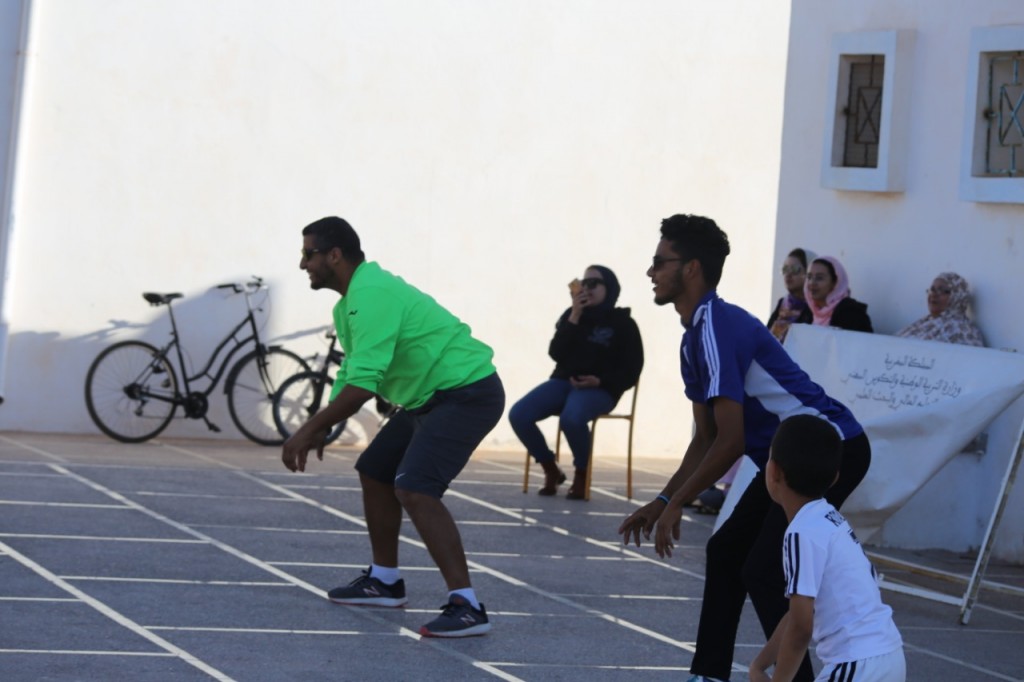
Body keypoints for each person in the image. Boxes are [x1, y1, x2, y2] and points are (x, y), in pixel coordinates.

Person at [617, 214, 871, 682]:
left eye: (659, 261)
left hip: (831, 445)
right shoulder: (694, 337)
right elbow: (706, 438)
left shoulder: (717, 326)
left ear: (691, 268)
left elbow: (731, 441)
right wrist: (663, 499)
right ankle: (708, 674)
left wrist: (677, 503)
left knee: (763, 569)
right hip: (785, 457)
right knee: (726, 551)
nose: (650, 272)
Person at [281, 216, 505, 638]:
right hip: (428, 398)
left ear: (334, 255)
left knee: (415, 488)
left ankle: (468, 606)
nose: (302, 264)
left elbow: (363, 387)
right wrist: (325, 423)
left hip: (467, 393)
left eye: (308, 254)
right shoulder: (350, 302)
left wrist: (308, 429)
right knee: (375, 470)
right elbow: (353, 369)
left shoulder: (372, 294)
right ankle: (385, 581)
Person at [749, 415, 905, 682]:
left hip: (856, 663)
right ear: (834, 478)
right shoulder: (829, 519)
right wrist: (759, 665)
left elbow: (801, 628)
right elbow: (797, 614)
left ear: (773, 472)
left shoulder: (800, 532)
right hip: (887, 656)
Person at [509, 265, 643, 498]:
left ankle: (582, 474)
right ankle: (550, 468)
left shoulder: (623, 324)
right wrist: (574, 316)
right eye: (583, 283)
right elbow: (556, 353)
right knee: (519, 414)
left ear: (609, 288)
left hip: (600, 388)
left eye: (594, 283)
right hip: (564, 383)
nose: (586, 289)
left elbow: (632, 369)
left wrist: (599, 381)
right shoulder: (572, 315)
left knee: (572, 418)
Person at [896, 271, 984, 347]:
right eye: (932, 290)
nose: (934, 294)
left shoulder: (962, 331)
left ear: (957, 296)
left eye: (942, 291)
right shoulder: (925, 323)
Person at [804, 256, 873, 332]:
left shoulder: (851, 313)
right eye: (809, 277)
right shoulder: (809, 312)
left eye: (819, 278)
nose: (812, 283)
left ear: (835, 282)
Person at [767, 248, 812, 343]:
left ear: (809, 273)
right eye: (785, 269)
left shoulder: (815, 308)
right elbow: (765, 336)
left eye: (795, 269)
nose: (788, 274)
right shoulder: (782, 304)